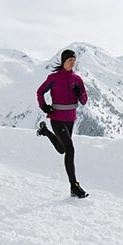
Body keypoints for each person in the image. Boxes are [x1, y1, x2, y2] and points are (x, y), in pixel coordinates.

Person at [36, 49, 89, 198]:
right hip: (57, 118)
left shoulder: (77, 79)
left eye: (74, 60)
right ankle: (74, 186)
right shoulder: (54, 78)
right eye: (70, 60)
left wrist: (79, 93)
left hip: (70, 119)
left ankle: (45, 131)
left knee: (61, 149)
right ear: (63, 61)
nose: (73, 62)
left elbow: (84, 101)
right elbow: (40, 92)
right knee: (70, 150)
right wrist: (44, 106)